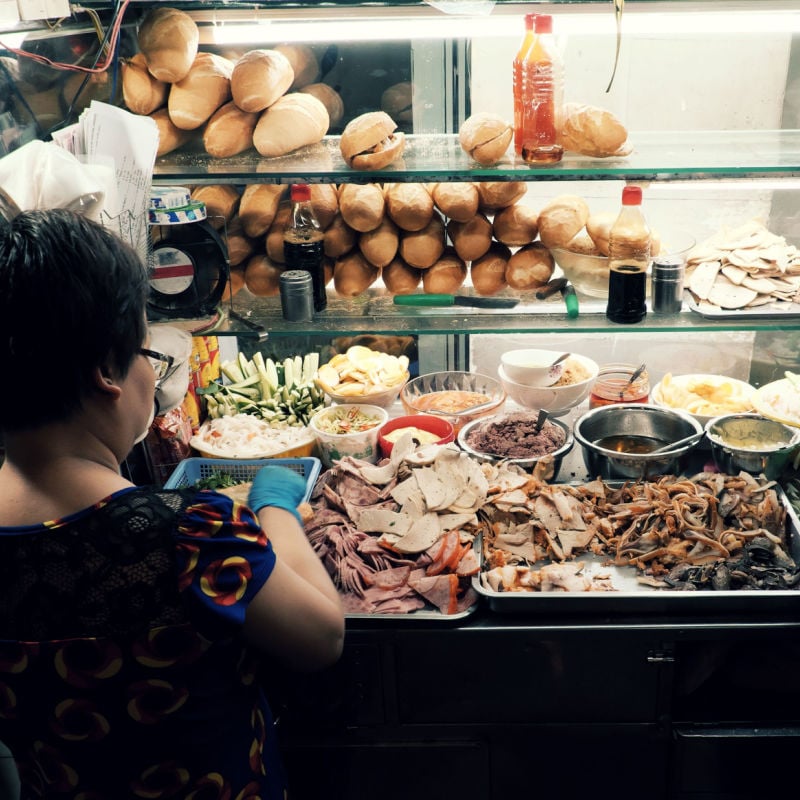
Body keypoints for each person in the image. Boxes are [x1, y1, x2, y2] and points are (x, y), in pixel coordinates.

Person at [0, 209, 345, 799]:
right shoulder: (191, 533)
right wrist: (275, 508)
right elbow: (322, 637)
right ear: (106, 372)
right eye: (146, 353)